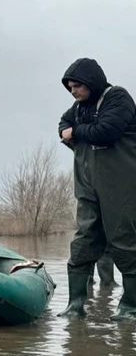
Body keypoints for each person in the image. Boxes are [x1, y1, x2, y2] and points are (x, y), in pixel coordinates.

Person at [57, 58, 136, 320]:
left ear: (91, 82)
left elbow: (106, 132)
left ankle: (129, 307)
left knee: (124, 242)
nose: (73, 92)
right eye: (70, 88)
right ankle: (75, 305)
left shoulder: (118, 98)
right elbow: (63, 125)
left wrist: (75, 132)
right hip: (88, 186)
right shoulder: (78, 108)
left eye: (77, 86)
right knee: (83, 241)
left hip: (122, 187)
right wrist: (71, 132)